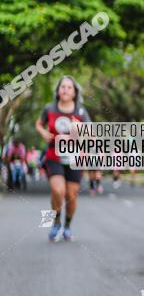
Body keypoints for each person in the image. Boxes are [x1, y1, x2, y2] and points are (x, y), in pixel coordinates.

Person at [35, 76, 92, 242]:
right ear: (58, 90)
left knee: (71, 195)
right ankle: (55, 222)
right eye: (62, 87)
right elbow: (38, 124)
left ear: (74, 93)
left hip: (75, 158)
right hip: (54, 155)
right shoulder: (49, 108)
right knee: (57, 190)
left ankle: (67, 226)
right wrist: (44, 132)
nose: (65, 89)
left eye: (69, 87)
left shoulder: (80, 112)